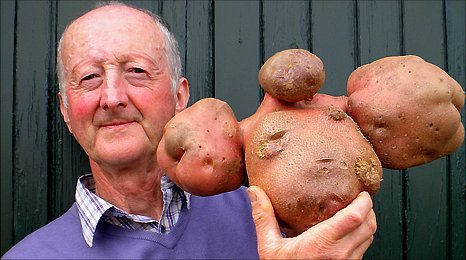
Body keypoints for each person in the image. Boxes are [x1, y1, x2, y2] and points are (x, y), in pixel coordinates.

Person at [2, 2, 376, 259]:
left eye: (136, 71)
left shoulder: (275, 217)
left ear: (180, 96)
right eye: (89, 77)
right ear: (67, 111)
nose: (112, 97)